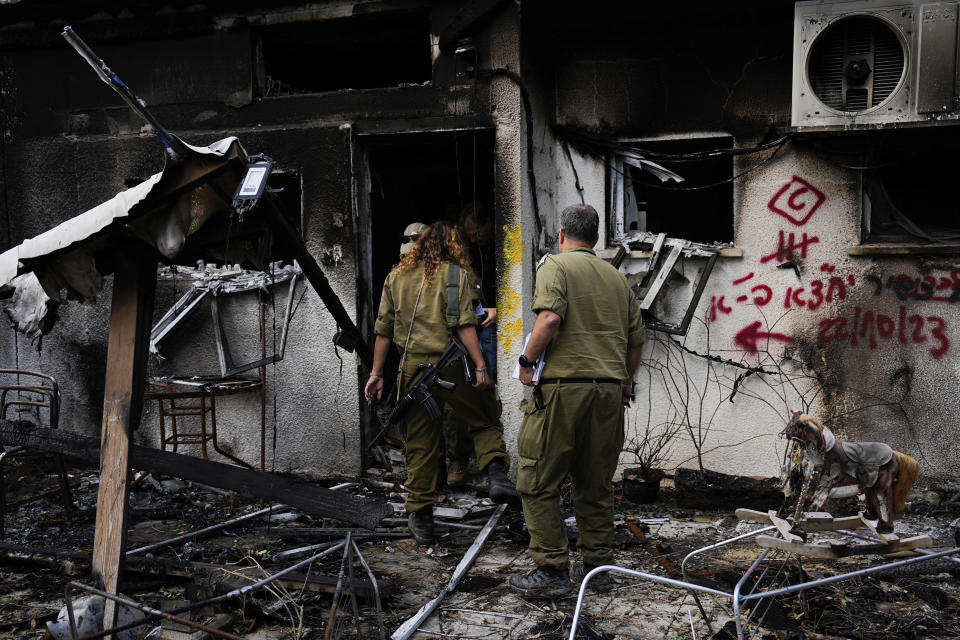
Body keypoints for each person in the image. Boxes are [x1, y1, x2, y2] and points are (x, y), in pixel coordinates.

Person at [508, 204, 646, 597]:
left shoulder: (556, 265)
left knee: (536, 482)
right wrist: (624, 380)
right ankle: (598, 572)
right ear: (597, 239)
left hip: (563, 391)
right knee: (595, 484)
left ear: (562, 235)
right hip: (607, 393)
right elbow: (636, 341)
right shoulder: (617, 279)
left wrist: (525, 362)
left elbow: (550, 319)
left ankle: (552, 571)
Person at [365, 221, 520, 546]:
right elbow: (464, 325)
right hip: (453, 364)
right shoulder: (455, 276)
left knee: (419, 444)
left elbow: (384, 330)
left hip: (413, 372)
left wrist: (376, 374)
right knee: (485, 418)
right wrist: (480, 365)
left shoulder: (395, 278)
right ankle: (495, 473)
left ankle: (420, 514)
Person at [445, 202, 498, 487]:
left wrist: (500, 310)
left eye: (477, 233)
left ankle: (492, 463)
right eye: (468, 236)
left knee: (486, 392)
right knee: (463, 397)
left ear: (489, 223)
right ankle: (462, 459)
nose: (473, 240)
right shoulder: (461, 260)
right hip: (468, 330)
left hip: (489, 328)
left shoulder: (503, 248)